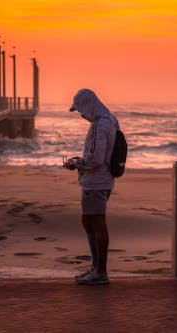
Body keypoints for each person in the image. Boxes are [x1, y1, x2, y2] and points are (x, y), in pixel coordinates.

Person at [63, 88, 119, 285]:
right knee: (89, 222)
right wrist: (81, 160)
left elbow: (95, 159)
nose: (81, 115)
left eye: (80, 110)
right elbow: (103, 155)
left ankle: (100, 271)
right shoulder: (111, 119)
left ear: (88, 105)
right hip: (105, 179)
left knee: (96, 224)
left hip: (95, 182)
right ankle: (96, 268)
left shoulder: (99, 125)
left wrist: (75, 164)